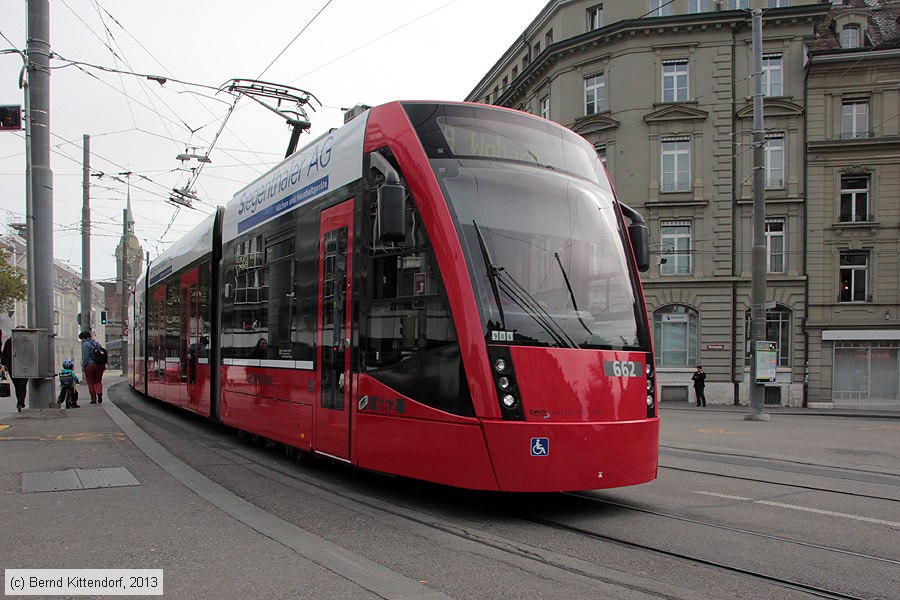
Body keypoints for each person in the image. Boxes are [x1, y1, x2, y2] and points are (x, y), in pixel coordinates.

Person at [1, 328, 28, 412]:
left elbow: (4, 356)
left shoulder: (10, 341)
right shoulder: (27, 341)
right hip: (22, 367)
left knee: (19, 385)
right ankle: (20, 402)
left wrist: (4, 364)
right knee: (21, 385)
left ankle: (20, 402)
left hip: (14, 368)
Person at [80, 330, 105, 404]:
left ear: (84, 338)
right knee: (98, 381)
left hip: (90, 366)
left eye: (82, 339)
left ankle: (93, 398)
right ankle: (99, 392)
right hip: (99, 365)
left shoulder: (86, 345)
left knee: (90, 382)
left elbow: (85, 357)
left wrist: (83, 366)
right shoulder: (97, 344)